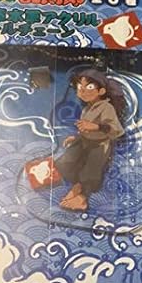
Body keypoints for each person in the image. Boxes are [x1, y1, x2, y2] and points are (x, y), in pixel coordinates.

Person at [55, 68, 125, 211]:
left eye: (90, 87)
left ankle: (82, 199)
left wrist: (96, 126)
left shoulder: (106, 107)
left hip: (99, 145)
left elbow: (116, 130)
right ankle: (77, 186)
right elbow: (85, 129)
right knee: (65, 162)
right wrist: (75, 137)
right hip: (84, 141)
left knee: (91, 171)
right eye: (79, 87)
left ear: (101, 91)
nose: (82, 91)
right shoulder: (87, 109)